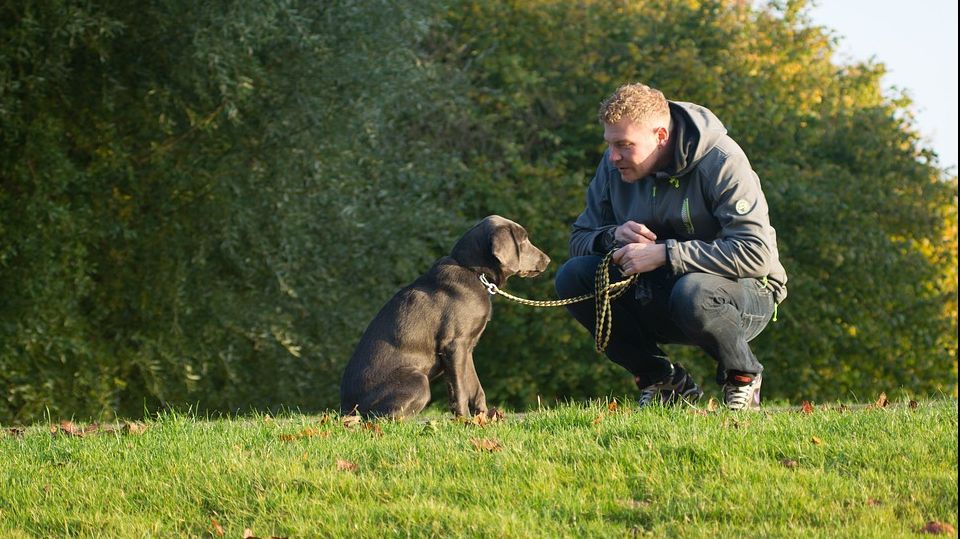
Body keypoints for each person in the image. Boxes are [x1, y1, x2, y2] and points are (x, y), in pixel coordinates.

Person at [555, 83, 787, 410]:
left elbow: (755, 254)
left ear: (661, 136)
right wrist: (613, 236)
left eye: (624, 145)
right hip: (659, 293)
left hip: (742, 295)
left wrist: (665, 254)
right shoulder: (612, 166)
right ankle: (664, 380)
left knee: (693, 292)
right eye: (609, 144)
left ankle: (742, 377)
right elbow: (579, 239)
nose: (613, 156)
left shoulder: (722, 161)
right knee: (573, 276)